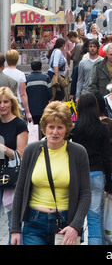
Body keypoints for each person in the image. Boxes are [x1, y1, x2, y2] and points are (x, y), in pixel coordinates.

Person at [10, 101, 91, 246]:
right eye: (51, 127)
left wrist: (75, 226)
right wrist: (15, 228)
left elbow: (85, 194)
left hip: (65, 223)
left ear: (66, 129)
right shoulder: (31, 151)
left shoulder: (78, 152)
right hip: (34, 222)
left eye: (60, 127)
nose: (55, 132)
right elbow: (20, 191)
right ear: (44, 128)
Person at [71, 92, 112, 245]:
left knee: (76, 216)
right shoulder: (103, 128)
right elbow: (107, 158)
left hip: (77, 174)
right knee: (95, 217)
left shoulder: (74, 129)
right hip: (97, 173)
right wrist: (108, 182)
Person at [0, 87, 28, 244]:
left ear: (12, 103)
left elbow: (20, 154)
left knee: (13, 223)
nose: (2, 105)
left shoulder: (19, 125)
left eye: (5, 102)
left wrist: (2, 148)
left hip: (11, 177)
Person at [3, 50, 32, 121]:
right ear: (17, 59)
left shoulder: (3, 73)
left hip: (3, 101)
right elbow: (23, 94)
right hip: (17, 102)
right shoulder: (21, 74)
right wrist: (27, 112)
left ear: (6, 60)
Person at [25, 61, 52, 125]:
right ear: (41, 68)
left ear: (31, 68)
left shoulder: (27, 78)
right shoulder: (46, 78)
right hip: (43, 108)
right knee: (43, 126)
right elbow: (50, 93)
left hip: (31, 109)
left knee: (33, 128)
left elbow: (24, 93)